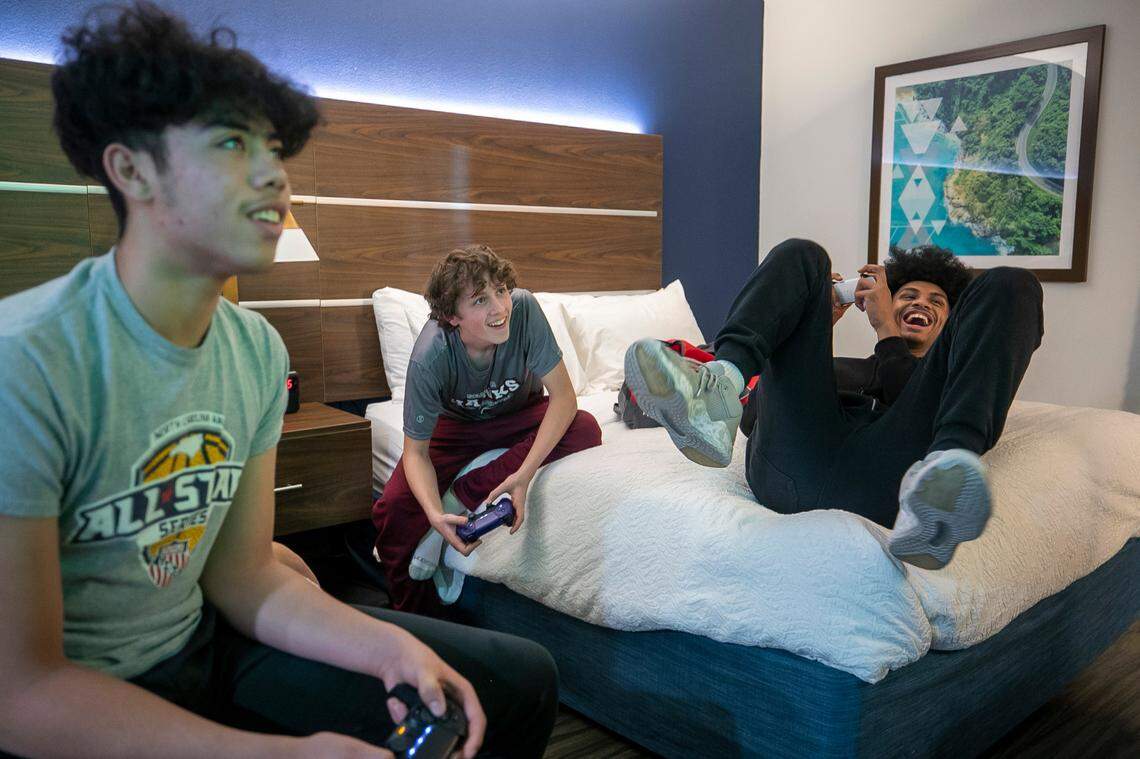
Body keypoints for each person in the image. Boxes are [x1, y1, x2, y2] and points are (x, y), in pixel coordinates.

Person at [0, 5, 557, 757]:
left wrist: (386, 648)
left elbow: (246, 574)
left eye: (274, 147)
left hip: (208, 638)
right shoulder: (29, 361)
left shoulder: (256, 351)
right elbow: (21, 692)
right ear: (130, 169)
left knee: (514, 677)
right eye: (232, 143)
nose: (274, 175)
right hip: (76, 691)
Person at [623, 238, 1043, 569]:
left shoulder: (955, 386)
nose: (921, 303)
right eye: (908, 295)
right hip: (791, 466)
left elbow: (907, 391)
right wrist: (808, 329)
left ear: (955, 326)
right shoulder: (845, 367)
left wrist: (887, 332)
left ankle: (944, 487)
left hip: (892, 483)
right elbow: (759, 419)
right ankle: (717, 391)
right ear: (887, 300)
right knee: (804, 255)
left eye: (937, 302)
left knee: (1013, 283)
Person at [373, 244, 603, 615]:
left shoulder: (524, 309)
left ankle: (462, 495)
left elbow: (564, 399)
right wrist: (434, 515)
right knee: (396, 507)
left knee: (585, 428)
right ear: (451, 316)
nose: (499, 308)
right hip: (455, 428)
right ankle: (414, 624)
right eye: (480, 300)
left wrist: (523, 474)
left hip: (519, 414)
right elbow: (416, 453)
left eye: (500, 291)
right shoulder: (429, 356)